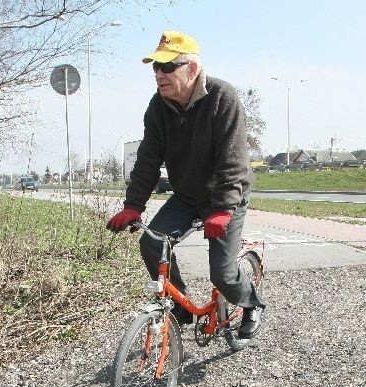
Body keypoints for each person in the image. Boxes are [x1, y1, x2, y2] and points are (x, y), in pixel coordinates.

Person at [107, 31, 265, 339]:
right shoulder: (158, 107)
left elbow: (233, 159)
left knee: (221, 271)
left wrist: (222, 208)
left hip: (226, 198)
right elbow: (148, 160)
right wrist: (133, 206)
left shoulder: (222, 97)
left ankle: (251, 304)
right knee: (152, 243)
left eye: (167, 67)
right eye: (155, 67)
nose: (159, 75)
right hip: (187, 195)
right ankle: (179, 308)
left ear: (191, 69)